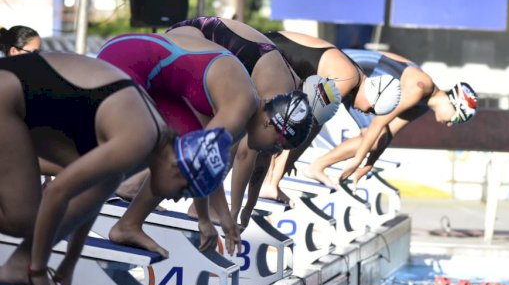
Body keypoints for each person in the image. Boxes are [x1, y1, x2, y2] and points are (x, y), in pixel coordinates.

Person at [0, 51, 232, 285]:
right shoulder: (139, 139)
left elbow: (88, 204)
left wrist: (68, 266)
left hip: (22, 102)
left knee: (42, 208)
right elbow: (58, 191)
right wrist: (39, 270)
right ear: (178, 168)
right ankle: (23, 265)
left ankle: (19, 263)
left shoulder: (148, 145)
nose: (177, 198)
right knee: (22, 217)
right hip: (7, 96)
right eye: (185, 192)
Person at [98, 31, 313, 257]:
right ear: (271, 123)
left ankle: (128, 225)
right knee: (130, 147)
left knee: (176, 153)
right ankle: (64, 184)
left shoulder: (244, 116)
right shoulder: (242, 105)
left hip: (156, 76)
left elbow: (208, 167)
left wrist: (224, 217)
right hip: (128, 58)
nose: (274, 152)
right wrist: (204, 220)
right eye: (278, 145)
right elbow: (197, 160)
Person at [166, 17, 319, 225]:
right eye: (278, 144)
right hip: (186, 38)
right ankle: (196, 204)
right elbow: (245, 155)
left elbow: (263, 156)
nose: (276, 150)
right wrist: (234, 211)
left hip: (193, 47)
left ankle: (200, 203)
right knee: (225, 133)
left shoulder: (284, 106)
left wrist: (248, 208)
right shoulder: (277, 91)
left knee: (229, 131)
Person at [250, 30, 401, 213]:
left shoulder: (354, 79)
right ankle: (266, 183)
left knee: (309, 123)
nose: (367, 113)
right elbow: (294, 121)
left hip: (270, 53)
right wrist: (275, 170)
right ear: (372, 96)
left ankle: (271, 181)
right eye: (371, 109)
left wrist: (286, 164)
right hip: (262, 48)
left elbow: (310, 128)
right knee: (286, 120)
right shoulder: (348, 79)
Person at [304, 48, 477, 188]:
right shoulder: (420, 87)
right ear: (453, 103)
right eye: (456, 119)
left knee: (375, 139)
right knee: (312, 111)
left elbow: (387, 134)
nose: (450, 125)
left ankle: (316, 167)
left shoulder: (422, 105)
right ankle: (301, 162)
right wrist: (358, 159)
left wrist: (368, 165)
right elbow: (379, 123)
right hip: (350, 65)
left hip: (364, 84)